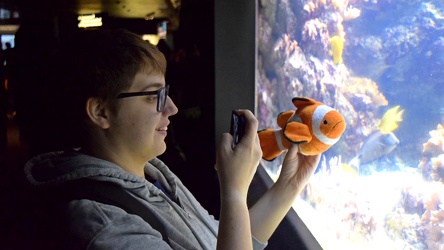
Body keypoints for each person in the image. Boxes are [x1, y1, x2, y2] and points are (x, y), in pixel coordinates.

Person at [21, 28, 321, 249]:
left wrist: (288, 186)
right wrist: (233, 192)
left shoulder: (151, 174)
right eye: (155, 95)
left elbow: (225, 241)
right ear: (101, 111)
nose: (172, 108)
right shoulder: (103, 225)